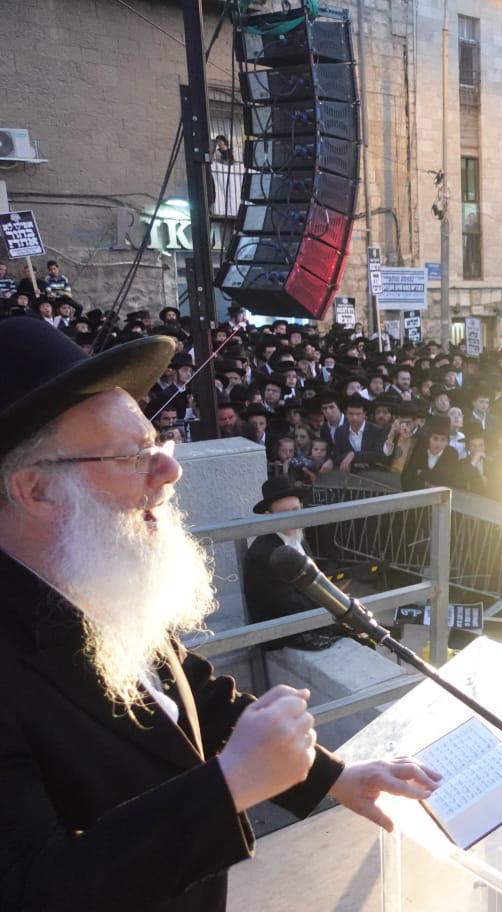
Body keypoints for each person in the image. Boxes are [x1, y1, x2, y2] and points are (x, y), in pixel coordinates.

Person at [0, 319, 439, 910]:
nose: (168, 470)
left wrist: (334, 776)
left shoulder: (87, 578)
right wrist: (230, 783)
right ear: (36, 490)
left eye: (158, 445)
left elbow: (193, 694)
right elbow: (37, 889)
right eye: (133, 457)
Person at [241, 476, 342, 651]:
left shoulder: (297, 535)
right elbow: (287, 605)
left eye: (295, 510)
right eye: (284, 513)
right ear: (268, 516)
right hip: (284, 633)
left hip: (306, 615)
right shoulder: (262, 554)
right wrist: (331, 608)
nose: (292, 517)